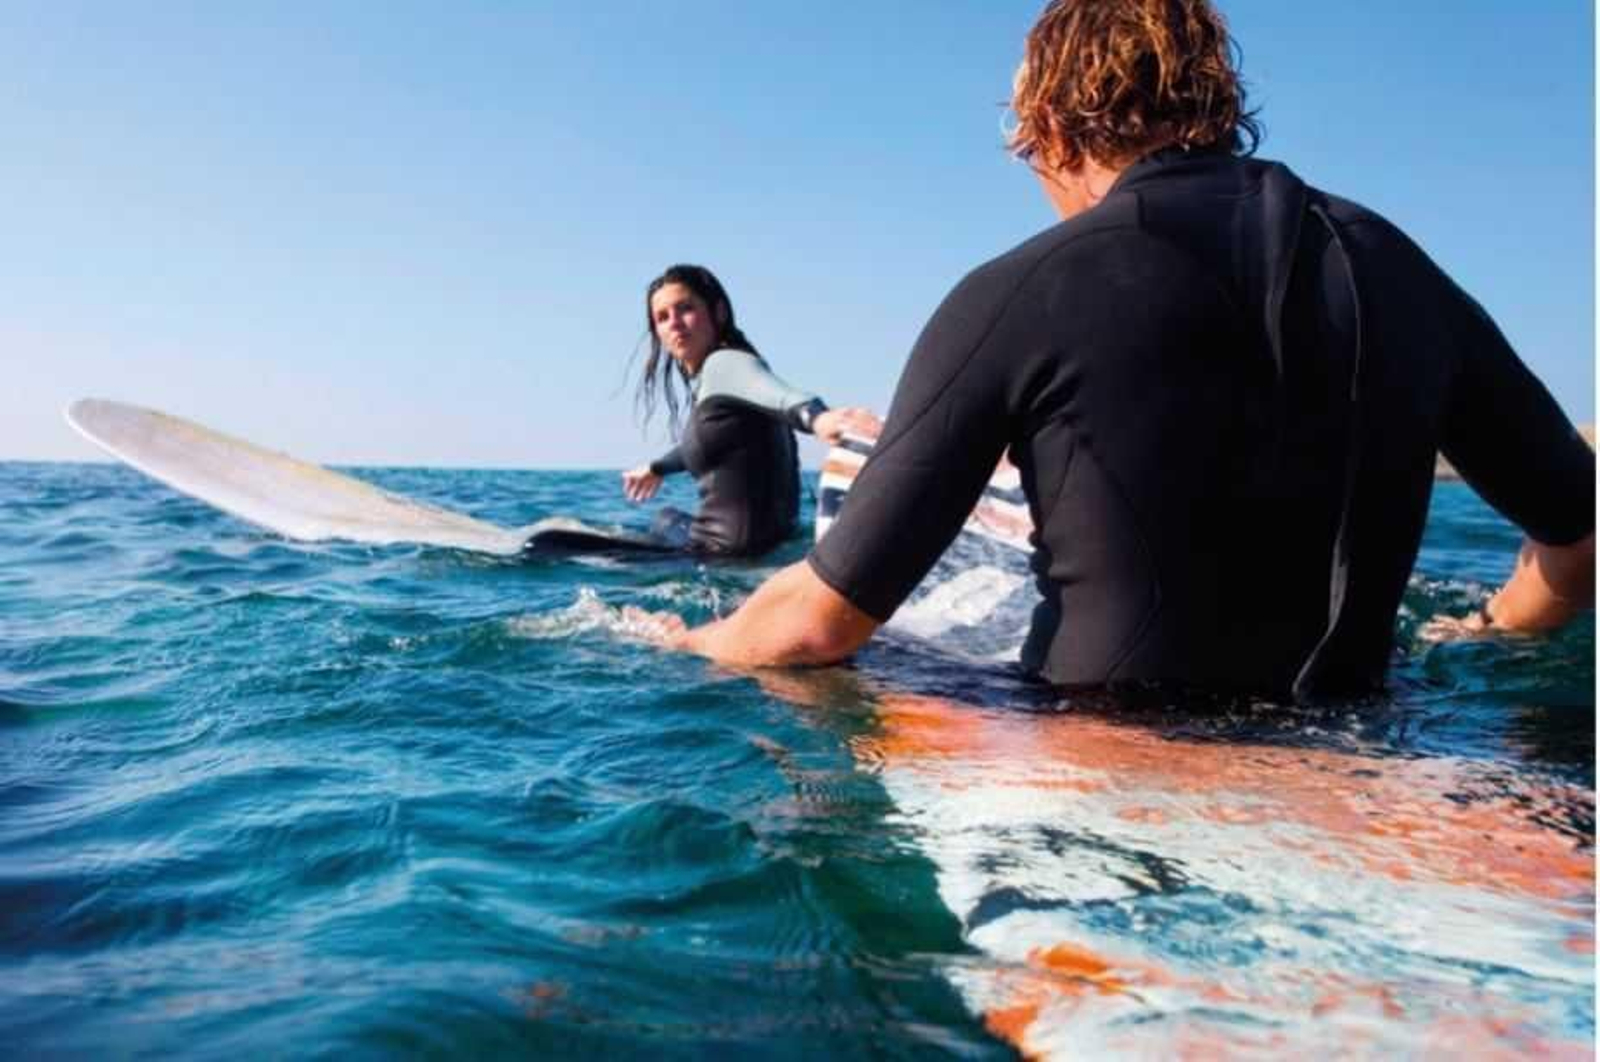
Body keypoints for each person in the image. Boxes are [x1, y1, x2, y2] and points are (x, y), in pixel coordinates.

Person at [641, 0, 1594, 697]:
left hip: (1106, 776)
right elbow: (1583, 532)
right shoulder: (1395, 267)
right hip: (1371, 753)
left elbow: (816, 625)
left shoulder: (1022, 288)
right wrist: (1492, 631)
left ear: (1050, 128)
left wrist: (680, 648)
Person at [621, 264, 878, 556]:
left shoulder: (726, 363)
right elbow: (703, 445)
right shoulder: (727, 383)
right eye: (663, 317)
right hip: (769, 549)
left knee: (558, 542)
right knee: (665, 517)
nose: (675, 323)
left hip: (717, 558)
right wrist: (656, 468)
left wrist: (818, 417)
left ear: (718, 312)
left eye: (685, 308)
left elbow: (782, 395)